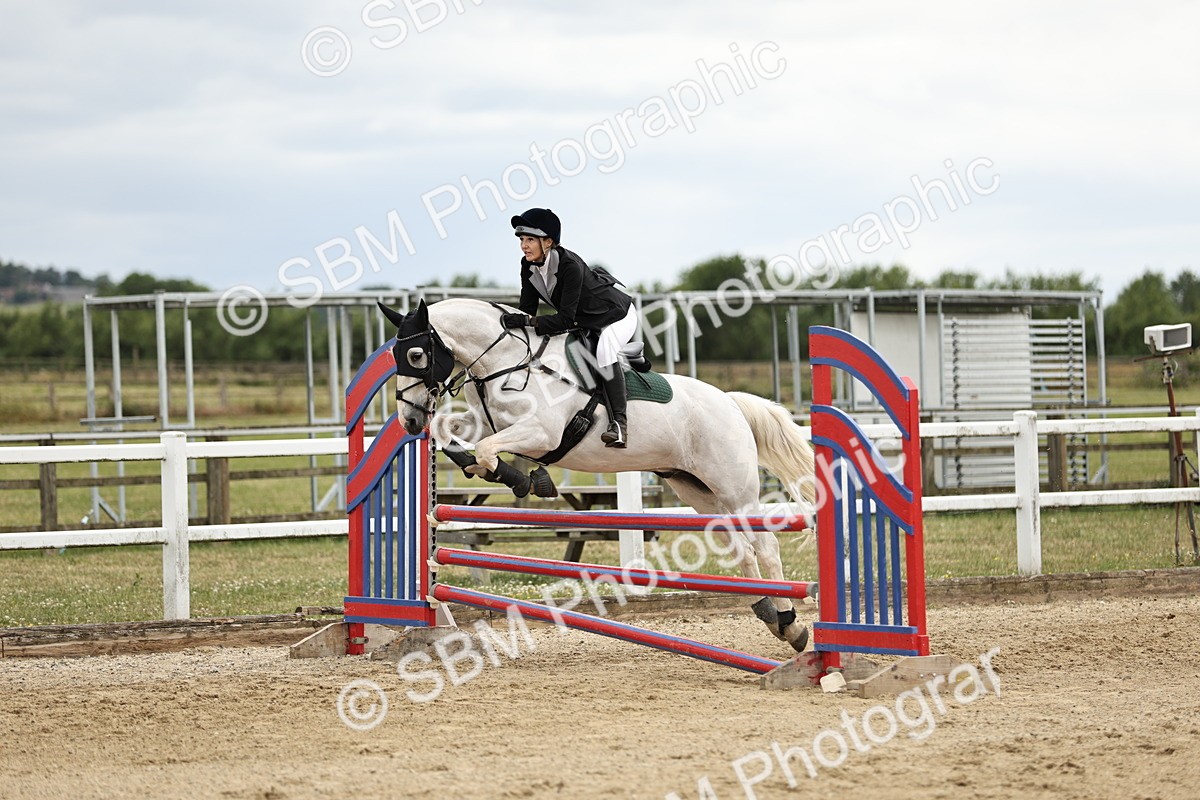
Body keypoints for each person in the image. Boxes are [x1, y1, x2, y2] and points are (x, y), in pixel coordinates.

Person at [501, 208, 637, 448]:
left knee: (605, 350)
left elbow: (564, 319)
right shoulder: (528, 265)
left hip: (616, 315)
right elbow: (527, 310)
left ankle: (619, 425)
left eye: (530, 239)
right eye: (522, 239)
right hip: (585, 321)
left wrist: (527, 322)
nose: (524, 245)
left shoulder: (569, 266)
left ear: (549, 242)